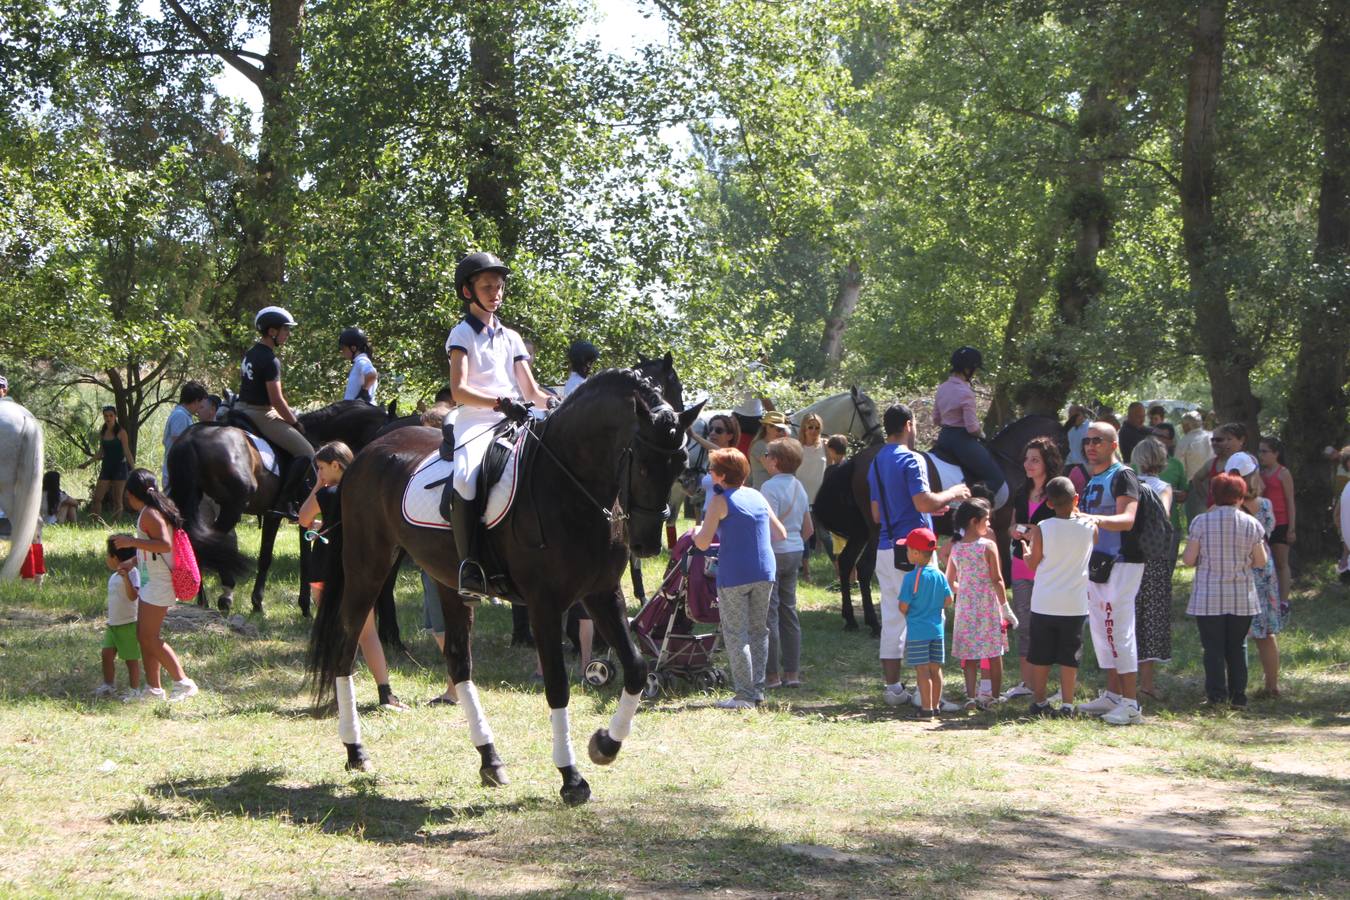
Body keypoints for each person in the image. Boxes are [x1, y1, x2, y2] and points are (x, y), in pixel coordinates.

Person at [443, 252, 554, 595]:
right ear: (468, 291)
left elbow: (532, 391)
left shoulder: (512, 337)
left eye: (500, 286)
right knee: (465, 478)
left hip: (517, 416)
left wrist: (555, 402)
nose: (496, 293)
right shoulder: (462, 334)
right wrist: (498, 403)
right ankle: (470, 566)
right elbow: (459, 391)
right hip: (476, 420)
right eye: (488, 286)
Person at [869, 403, 970, 707]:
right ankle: (928, 696)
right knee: (928, 616)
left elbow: (876, 513)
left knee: (891, 618)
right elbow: (924, 502)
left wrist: (925, 507)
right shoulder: (913, 459)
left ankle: (893, 689)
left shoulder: (875, 462)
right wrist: (954, 493)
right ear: (909, 425)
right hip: (916, 552)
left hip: (886, 549)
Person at [299, 441, 409, 711]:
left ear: (336, 465)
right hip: (359, 568)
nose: (320, 474)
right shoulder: (366, 491)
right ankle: (385, 693)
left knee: (333, 630)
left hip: (326, 568)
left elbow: (303, 518)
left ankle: (338, 694)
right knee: (368, 632)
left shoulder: (328, 493)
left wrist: (316, 487)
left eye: (322, 468)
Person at [694, 448, 786, 710]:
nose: (710, 473)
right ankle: (757, 691)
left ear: (722, 475)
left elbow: (702, 543)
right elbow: (779, 532)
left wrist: (699, 529)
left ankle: (744, 696)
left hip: (735, 574)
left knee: (736, 634)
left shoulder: (719, 501)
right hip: (765, 571)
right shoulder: (757, 496)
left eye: (712, 470)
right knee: (759, 631)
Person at [1076, 422, 1145, 726]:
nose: (1091, 446)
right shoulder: (1094, 478)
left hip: (1123, 561)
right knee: (1102, 630)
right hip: (1099, 563)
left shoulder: (1123, 475)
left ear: (1114, 444)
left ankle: (1131, 704)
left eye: (1098, 441)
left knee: (1119, 628)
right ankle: (1113, 695)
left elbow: (1128, 519)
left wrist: (1091, 518)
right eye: (1087, 441)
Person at [1181, 473, 1267, 709]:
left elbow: (1188, 559)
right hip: (1241, 596)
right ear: (1240, 497)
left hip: (1208, 595)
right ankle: (1239, 696)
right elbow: (1261, 560)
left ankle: (1216, 696)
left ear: (1215, 496)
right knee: (1237, 647)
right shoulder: (1251, 523)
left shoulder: (1201, 521)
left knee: (1213, 648)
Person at [113, 469, 197, 702]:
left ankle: (184, 682)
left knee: (149, 637)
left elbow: (163, 545)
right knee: (144, 636)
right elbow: (150, 549)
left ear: (130, 494)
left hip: (159, 584)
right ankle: (153, 689)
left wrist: (131, 541)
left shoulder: (149, 513)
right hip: (153, 581)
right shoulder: (152, 511)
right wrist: (132, 561)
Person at [1024, 476, 1098, 716]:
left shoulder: (1043, 527)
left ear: (1048, 504)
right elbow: (1091, 548)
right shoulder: (1090, 527)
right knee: (1070, 657)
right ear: (1076, 499)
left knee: (1041, 655)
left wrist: (1026, 552)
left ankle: (1040, 700)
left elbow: (1033, 564)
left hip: (1044, 601)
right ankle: (1067, 704)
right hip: (1075, 605)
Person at [237, 306, 315, 517]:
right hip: (260, 413)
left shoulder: (251, 353)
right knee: (306, 452)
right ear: (272, 331)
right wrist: (294, 422)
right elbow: (277, 400)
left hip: (239, 409)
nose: (287, 334)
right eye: (285, 329)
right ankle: (284, 502)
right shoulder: (271, 360)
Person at [1003, 437, 1062, 700]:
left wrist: (1035, 533)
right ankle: (1027, 683)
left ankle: (1058, 685)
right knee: (1025, 625)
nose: (1028, 464)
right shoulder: (1020, 492)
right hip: (1020, 565)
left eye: (1035, 459)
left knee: (1052, 625)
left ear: (1048, 462)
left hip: (1048, 567)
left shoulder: (1058, 493)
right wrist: (1014, 531)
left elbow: (1064, 530)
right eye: (1027, 459)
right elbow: (1011, 526)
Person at [946, 498, 1011, 707]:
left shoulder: (956, 548)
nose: (989, 525)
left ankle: (971, 697)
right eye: (987, 520)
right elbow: (997, 579)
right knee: (994, 652)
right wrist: (1005, 607)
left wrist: (964, 590)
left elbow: (949, 581)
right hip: (988, 607)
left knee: (969, 654)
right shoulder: (987, 546)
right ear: (975, 521)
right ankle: (994, 695)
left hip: (965, 607)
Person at [760, 438, 813, 689]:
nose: (765, 457)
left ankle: (772, 676)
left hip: (774, 552)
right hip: (795, 551)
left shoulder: (769, 488)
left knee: (769, 615)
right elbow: (808, 528)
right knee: (789, 613)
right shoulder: (799, 487)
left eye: (768, 454)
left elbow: (766, 527)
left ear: (777, 461)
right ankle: (792, 673)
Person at [1130, 437, 1175, 700]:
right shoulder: (1163, 487)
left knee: (1129, 615)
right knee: (1151, 618)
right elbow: (1163, 518)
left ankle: (1124, 682)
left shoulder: (1128, 483)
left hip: (1127, 555)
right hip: (1154, 557)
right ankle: (1146, 683)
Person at [933, 347, 1006, 506]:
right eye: (974, 370)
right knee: (995, 478)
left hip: (943, 439)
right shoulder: (965, 392)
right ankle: (974, 510)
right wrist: (982, 435)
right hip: (962, 441)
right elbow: (972, 428)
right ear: (968, 369)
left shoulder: (942, 388)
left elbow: (936, 420)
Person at [896, 527, 952, 720]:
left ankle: (926, 709)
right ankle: (936, 706)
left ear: (917, 553)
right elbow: (949, 600)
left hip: (918, 631)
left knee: (922, 670)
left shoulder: (911, 577)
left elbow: (903, 606)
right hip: (937, 630)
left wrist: (912, 612)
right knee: (936, 669)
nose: (906, 552)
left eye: (908, 549)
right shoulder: (940, 574)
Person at [1238, 466, 1283, 699]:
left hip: (1240, 566)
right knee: (1266, 632)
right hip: (1263, 566)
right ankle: (1272, 685)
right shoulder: (1265, 504)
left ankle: (1237, 687)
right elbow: (1271, 529)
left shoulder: (1229, 508)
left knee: (1237, 632)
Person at [95, 536, 142, 698]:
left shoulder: (133, 573)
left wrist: (126, 578)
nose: (106, 558)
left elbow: (133, 596)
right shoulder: (114, 576)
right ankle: (109, 685)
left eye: (108, 555)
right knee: (106, 654)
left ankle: (135, 689)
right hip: (113, 624)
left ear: (115, 558)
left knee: (131, 658)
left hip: (128, 623)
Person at [1257, 437, 1296, 607]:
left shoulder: (1283, 473)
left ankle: (1283, 601)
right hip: (1263, 523)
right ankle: (1267, 599)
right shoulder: (1259, 473)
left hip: (1281, 522)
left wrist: (1291, 528)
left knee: (1281, 563)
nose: (1261, 455)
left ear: (1276, 453)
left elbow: (1290, 501)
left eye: (1265, 451)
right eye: (1260, 451)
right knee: (1264, 563)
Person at [689, 413, 740, 523]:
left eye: (718, 430)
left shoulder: (732, 458)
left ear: (730, 436)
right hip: (707, 516)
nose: (712, 433)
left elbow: (721, 452)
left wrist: (695, 436)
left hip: (725, 518)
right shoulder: (711, 460)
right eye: (710, 429)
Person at [795, 413, 828, 580]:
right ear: (804, 428)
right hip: (801, 496)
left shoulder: (825, 446)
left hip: (821, 497)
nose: (814, 431)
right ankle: (806, 571)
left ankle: (840, 570)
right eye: (810, 427)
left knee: (825, 534)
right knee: (805, 535)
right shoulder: (797, 447)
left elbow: (831, 467)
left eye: (817, 427)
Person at [87, 405, 133, 520]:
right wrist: (88, 463)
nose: (108, 418)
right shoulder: (103, 432)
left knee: (117, 500)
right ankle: (95, 521)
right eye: (106, 416)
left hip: (120, 468)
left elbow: (127, 451)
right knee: (97, 498)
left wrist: (134, 468)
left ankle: (114, 524)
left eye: (111, 416)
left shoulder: (121, 432)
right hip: (106, 468)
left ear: (115, 416)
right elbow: (100, 452)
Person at [162, 381, 209, 489]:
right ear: (196, 401)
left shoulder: (185, 415)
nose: (199, 409)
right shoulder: (180, 416)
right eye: (200, 404)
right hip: (175, 474)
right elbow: (179, 443)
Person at [1151, 423, 1190, 535]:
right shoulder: (1137, 463)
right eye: (1154, 435)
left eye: (1161, 437)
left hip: (1169, 525)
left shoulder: (1176, 465)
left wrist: (1176, 494)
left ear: (1170, 442)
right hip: (1144, 526)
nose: (1155, 439)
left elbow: (1184, 495)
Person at [1202, 423, 1247, 507]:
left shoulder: (1245, 460)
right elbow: (1197, 479)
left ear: (1241, 440)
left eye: (1219, 440)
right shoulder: (1212, 463)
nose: (1215, 443)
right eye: (1212, 440)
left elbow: (1257, 487)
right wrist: (1207, 497)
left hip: (1236, 509)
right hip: (1214, 510)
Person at [747, 410, 789, 488]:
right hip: (763, 493)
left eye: (781, 429)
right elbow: (774, 471)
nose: (779, 432)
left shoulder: (779, 446)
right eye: (773, 426)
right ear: (766, 427)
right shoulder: (760, 446)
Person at [339, 327, 378, 403]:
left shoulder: (361, 360)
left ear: (353, 348)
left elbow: (372, 374)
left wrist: (364, 393)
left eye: (343, 349)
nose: (342, 352)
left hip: (360, 412)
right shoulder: (358, 362)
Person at [1064, 404, 1094, 468]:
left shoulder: (1091, 427)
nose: (1070, 418)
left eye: (1072, 415)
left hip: (1086, 467)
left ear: (1080, 414)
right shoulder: (1069, 429)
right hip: (1069, 466)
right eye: (1069, 415)